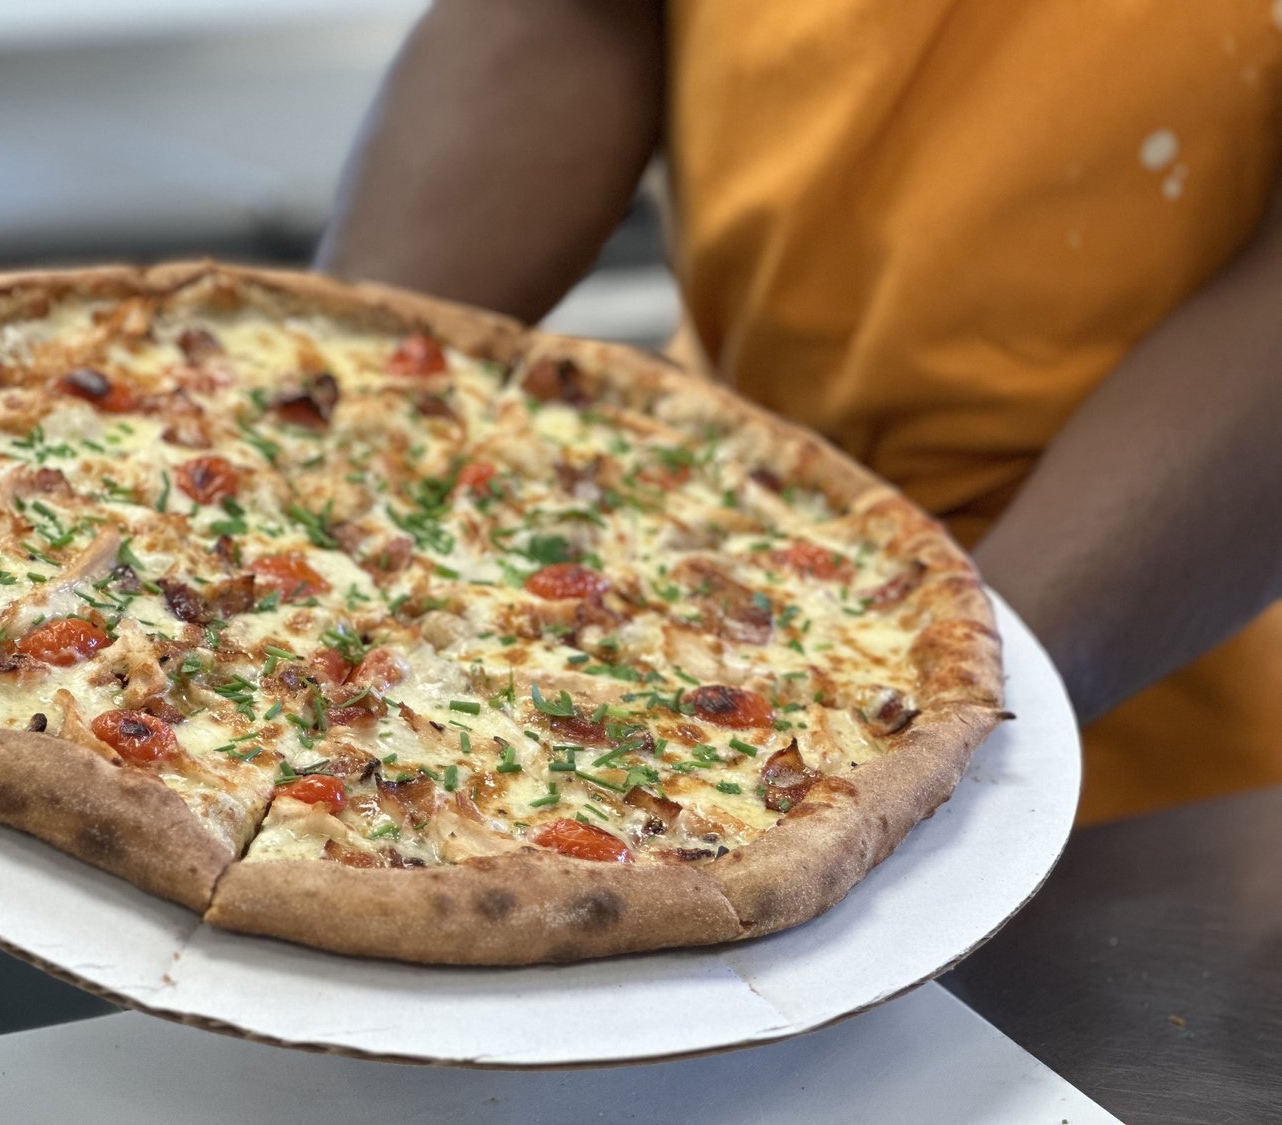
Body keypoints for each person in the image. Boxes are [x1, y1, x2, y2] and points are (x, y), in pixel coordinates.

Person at [314, 1, 1282, 824]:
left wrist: (929, 711)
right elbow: (580, 13)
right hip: (702, 530)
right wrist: (311, 424)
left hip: (1132, 692)